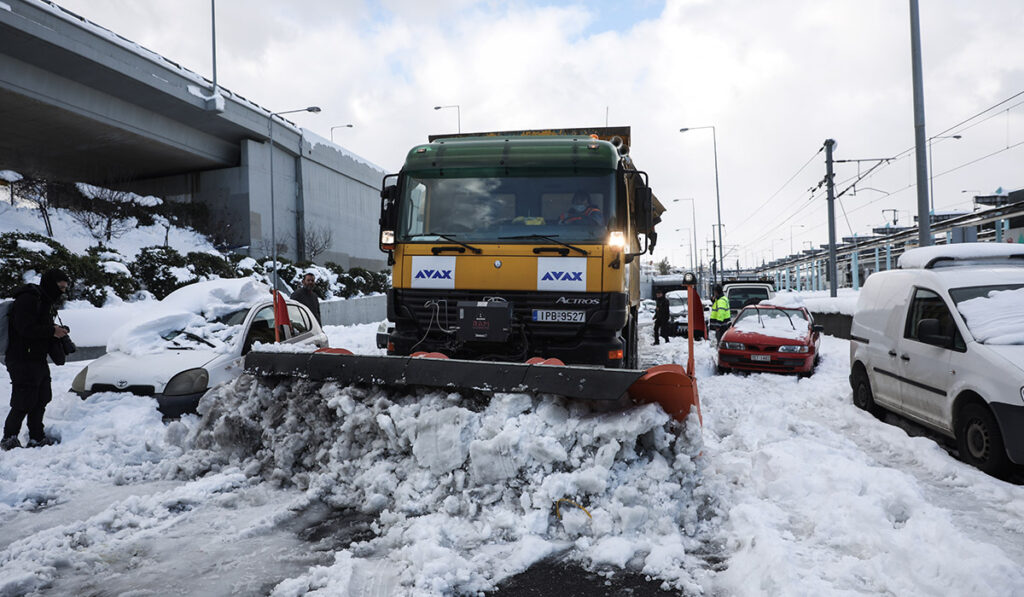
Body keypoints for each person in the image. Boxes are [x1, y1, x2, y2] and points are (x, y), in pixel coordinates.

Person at [3, 269, 70, 451]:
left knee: (41, 397)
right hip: (21, 358)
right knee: (24, 399)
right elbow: (25, 328)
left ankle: (36, 437)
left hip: (37, 357)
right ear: (50, 283)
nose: (62, 292)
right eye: (60, 287)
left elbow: (39, 326)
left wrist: (55, 329)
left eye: (65, 288)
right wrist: (51, 331)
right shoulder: (28, 299)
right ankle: (9, 438)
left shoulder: (45, 301)